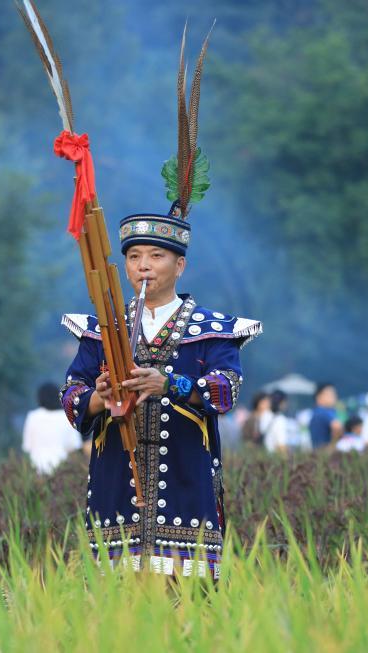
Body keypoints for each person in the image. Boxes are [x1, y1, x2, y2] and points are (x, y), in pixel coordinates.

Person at [57, 36, 262, 578]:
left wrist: (167, 384)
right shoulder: (102, 326)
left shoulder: (213, 330)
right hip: (116, 495)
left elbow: (226, 391)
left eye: (156, 256)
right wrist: (99, 398)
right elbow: (72, 396)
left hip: (186, 497)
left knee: (186, 605)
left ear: (179, 266)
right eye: (135, 257)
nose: (144, 266)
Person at [21, 383, 82, 474]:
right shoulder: (67, 417)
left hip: (36, 469)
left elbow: (27, 446)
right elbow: (74, 445)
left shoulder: (33, 417)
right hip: (61, 470)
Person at [308, 382, 343, 449]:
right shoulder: (324, 411)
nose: (334, 397)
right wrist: (333, 445)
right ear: (319, 397)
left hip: (318, 452)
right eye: (330, 395)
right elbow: (337, 427)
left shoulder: (315, 412)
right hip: (327, 452)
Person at [263, 390, 293, 454]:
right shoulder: (280, 420)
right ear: (281, 403)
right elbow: (282, 446)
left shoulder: (265, 415)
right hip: (276, 458)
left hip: (264, 455)